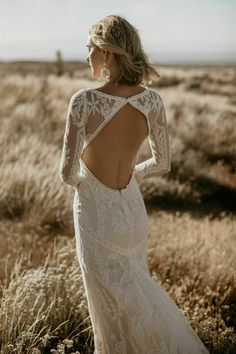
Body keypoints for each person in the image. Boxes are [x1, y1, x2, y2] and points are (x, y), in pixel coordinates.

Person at [59, 14, 209, 354]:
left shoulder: (84, 101)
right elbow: (163, 163)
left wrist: (92, 183)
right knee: (139, 300)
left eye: (90, 48)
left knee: (109, 316)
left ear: (108, 53)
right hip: (132, 215)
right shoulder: (152, 102)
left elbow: (67, 175)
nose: (87, 56)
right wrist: (129, 175)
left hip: (96, 218)